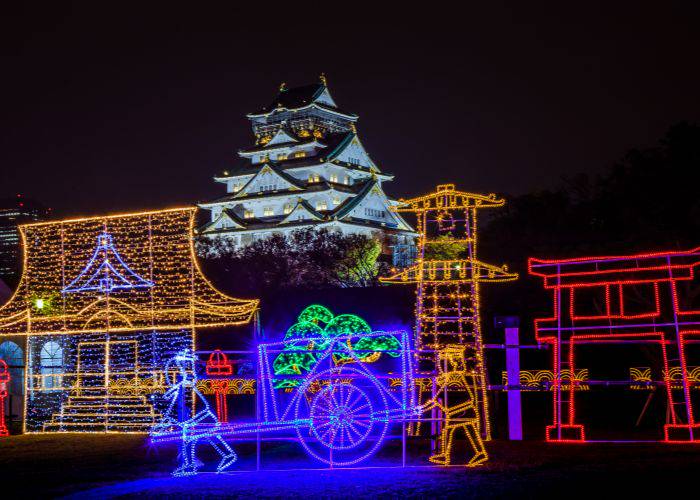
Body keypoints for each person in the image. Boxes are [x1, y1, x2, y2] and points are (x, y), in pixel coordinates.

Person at [152, 350, 237, 476]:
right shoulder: (183, 386)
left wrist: (163, 422)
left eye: (184, 366)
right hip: (203, 417)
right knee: (207, 437)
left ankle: (190, 466)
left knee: (190, 440)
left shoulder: (187, 384)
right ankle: (227, 456)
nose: (183, 370)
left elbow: (171, 404)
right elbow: (170, 404)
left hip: (203, 417)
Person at [420, 345, 488, 467]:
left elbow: (466, 397)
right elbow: (438, 398)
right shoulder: (452, 378)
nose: (440, 366)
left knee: (450, 430)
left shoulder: (455, 379)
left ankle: (446, 456)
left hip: (462, 411)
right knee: (466, 431)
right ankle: (479, 453)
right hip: (459, 411)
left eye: (442, 362)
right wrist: (424, 408)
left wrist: (427, 407)